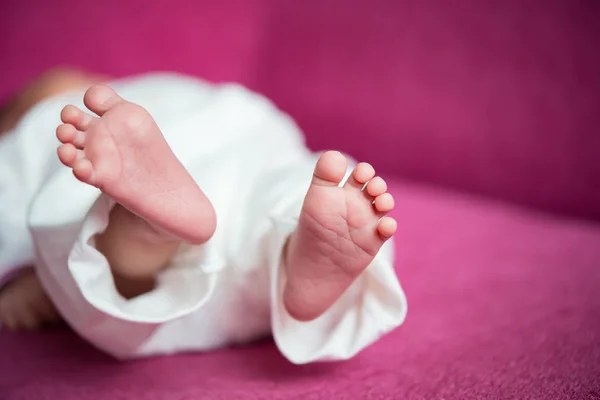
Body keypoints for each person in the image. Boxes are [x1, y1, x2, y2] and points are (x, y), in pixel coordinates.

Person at [0, 69, 406, 363]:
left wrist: (30, 275)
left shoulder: (48, 130)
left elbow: (12, 211)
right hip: (250, 145)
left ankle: (148, 225)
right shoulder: (173, 95)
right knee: (291, 187)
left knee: (97, 241)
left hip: (204, 152)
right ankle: (295, 248)